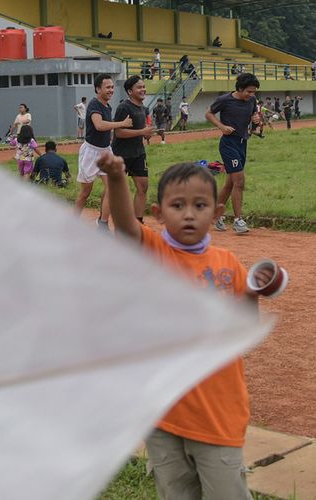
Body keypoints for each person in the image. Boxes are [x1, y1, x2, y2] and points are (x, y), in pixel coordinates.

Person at [100, 154, 279, 500]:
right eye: (177, 205)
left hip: (217, 413)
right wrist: (117, 178)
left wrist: (253, 294)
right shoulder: (152, 251)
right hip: (163, 414)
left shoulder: (228, 263)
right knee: (176, 493)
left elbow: (243, 327)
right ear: (157, 213)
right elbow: (124, 225)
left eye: (200, 205)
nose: (188, 214)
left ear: (216, 213)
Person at [73, 73, 132, 231]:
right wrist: (122, 123)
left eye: (112, 87)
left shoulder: (107, 106)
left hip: (105, 151)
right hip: (90, 153)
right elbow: (99, 125)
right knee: (85, 192)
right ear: (98, 89)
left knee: (111, 188)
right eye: (108, 87)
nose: (111, 90)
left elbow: (105, 129)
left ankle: (103, 223)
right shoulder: (94, 105)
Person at [205, 72, 261, 234]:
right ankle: (238, 220)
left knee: (231, 182)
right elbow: (208, 113)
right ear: (240, 88)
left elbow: (252, 114)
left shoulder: (251, 100)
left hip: (243, 143)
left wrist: (255, 119)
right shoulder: (224, 100)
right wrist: (221, 126)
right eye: (248, 91)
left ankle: (216, 215)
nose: (251, 95)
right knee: (240, 182)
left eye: (254, 92)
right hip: (228, 144)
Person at [112, 75, 156, 224]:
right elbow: (119, 132)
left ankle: (138, 222)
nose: (143, 89)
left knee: (143, 187)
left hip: (138, 153)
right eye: (139, 87)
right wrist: (141, 132)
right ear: (130, 91)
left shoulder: (143, 108)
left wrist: (147, 134)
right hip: (121, 155)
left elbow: (140, 129)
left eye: (144, 87)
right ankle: (111, 221)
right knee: (117, 192)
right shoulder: (124, 107)